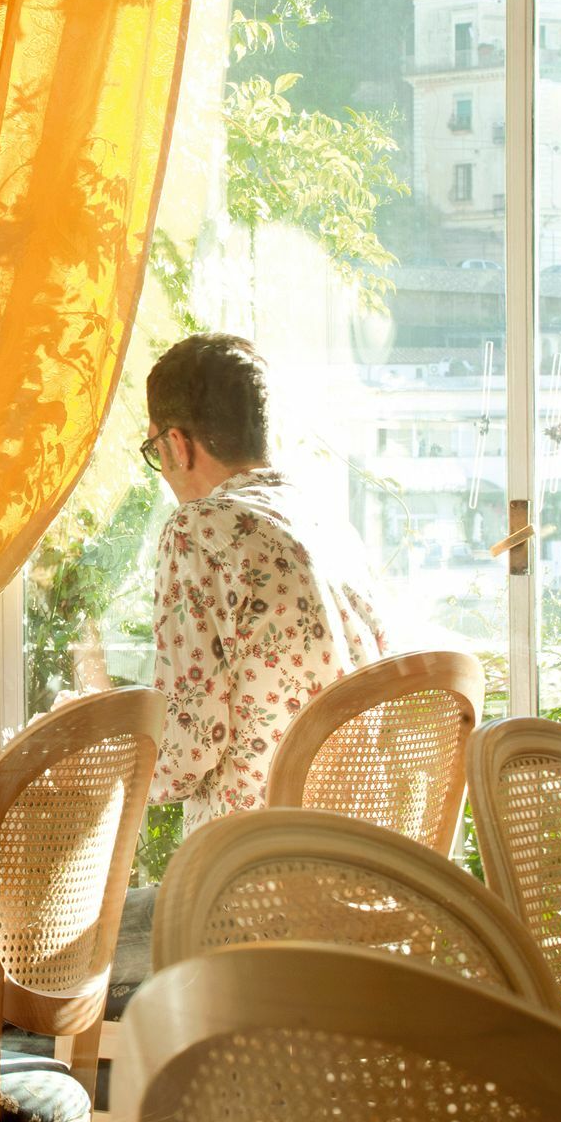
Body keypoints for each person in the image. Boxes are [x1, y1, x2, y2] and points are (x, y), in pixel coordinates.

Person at [141, 333, 389, 835]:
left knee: (74, 915)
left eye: (154, 449)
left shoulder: (198, 529)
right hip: (361, 856)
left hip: (249, 874)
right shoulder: (328, 523)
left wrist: (92, 768)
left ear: (176, 445)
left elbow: (187, 748)